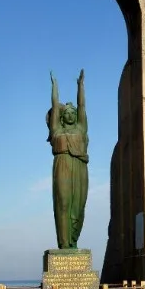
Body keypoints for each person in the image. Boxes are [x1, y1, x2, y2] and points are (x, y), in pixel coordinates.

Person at [47, 69, 89, 249]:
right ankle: (64, 243)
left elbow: (82, 106)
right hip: (62, 164)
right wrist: (55, 87)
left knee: (78, 206)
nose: (71, 114)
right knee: (63, 203)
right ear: (62, 117)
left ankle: (73, 240)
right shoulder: (56, 130)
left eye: (73, 112)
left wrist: (80, 85)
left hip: (79, 167)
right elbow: (55, 105)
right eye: (67, 113)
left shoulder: (81, 129)